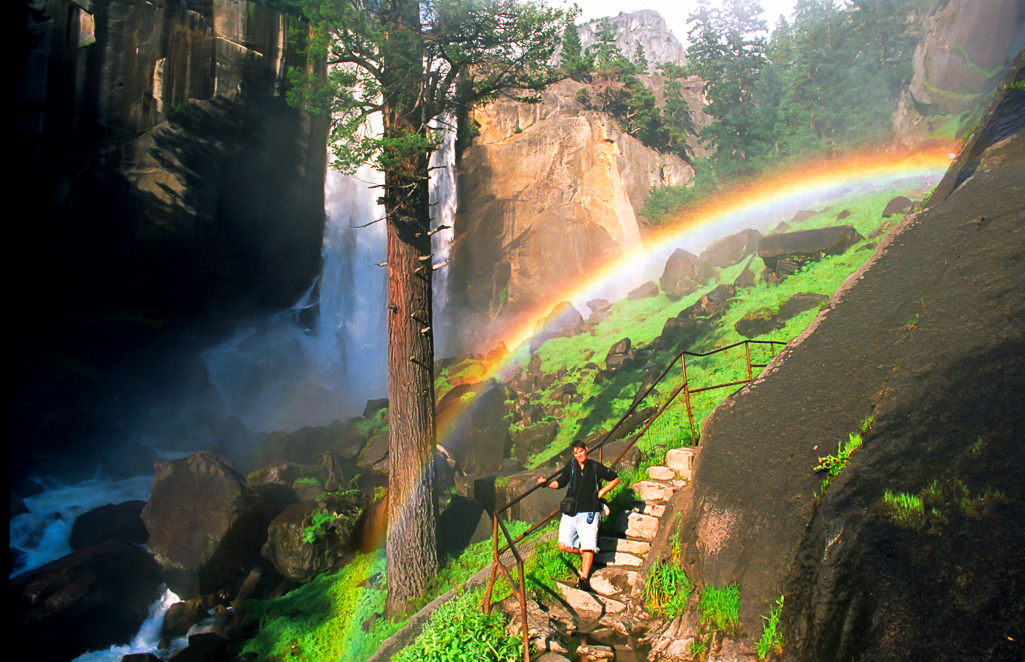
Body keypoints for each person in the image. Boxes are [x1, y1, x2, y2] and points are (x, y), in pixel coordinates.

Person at [537, 439, 620, 591]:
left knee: (589, 546)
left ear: (586, 450)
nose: (579, 454)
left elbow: (615, 478)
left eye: (580, 451)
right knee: (563, 545)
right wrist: (546, 484)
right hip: (571, 512)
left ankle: (583, 578)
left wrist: (601, 492)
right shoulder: (572, 466)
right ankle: (583, 553)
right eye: (576, 453)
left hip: (590, 512)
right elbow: (561, 482)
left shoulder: (595, 466)